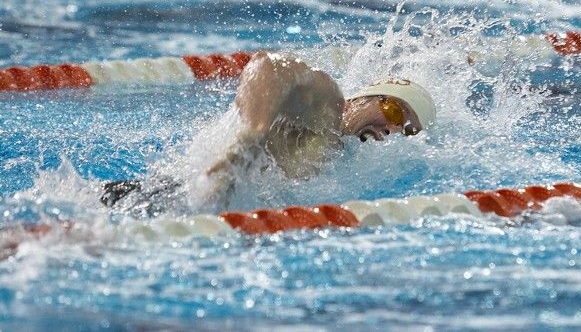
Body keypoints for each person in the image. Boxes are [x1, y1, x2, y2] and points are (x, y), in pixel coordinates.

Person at [101, 52, 436, 212]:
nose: (389, 130)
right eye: (392, 110)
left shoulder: (341, 160)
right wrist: (253, 134)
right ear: (363, 98)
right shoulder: (327, 108)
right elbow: (272, 66)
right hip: (162, 196)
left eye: (404, 130)